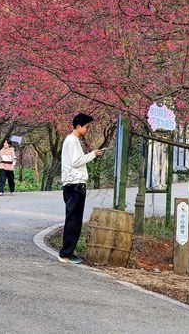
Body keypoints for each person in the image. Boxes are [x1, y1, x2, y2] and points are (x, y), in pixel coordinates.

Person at [59, 112, 105, 264]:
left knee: (75, 219)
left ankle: (69, 252)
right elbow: (75, 161)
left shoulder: (73, 140)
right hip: (74, 184)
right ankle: (66, 253)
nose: (87, 130)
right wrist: (92, 154)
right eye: (86, 127)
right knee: (73, 219)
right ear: (78, 126)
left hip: (75, 184)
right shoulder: (72, 140)